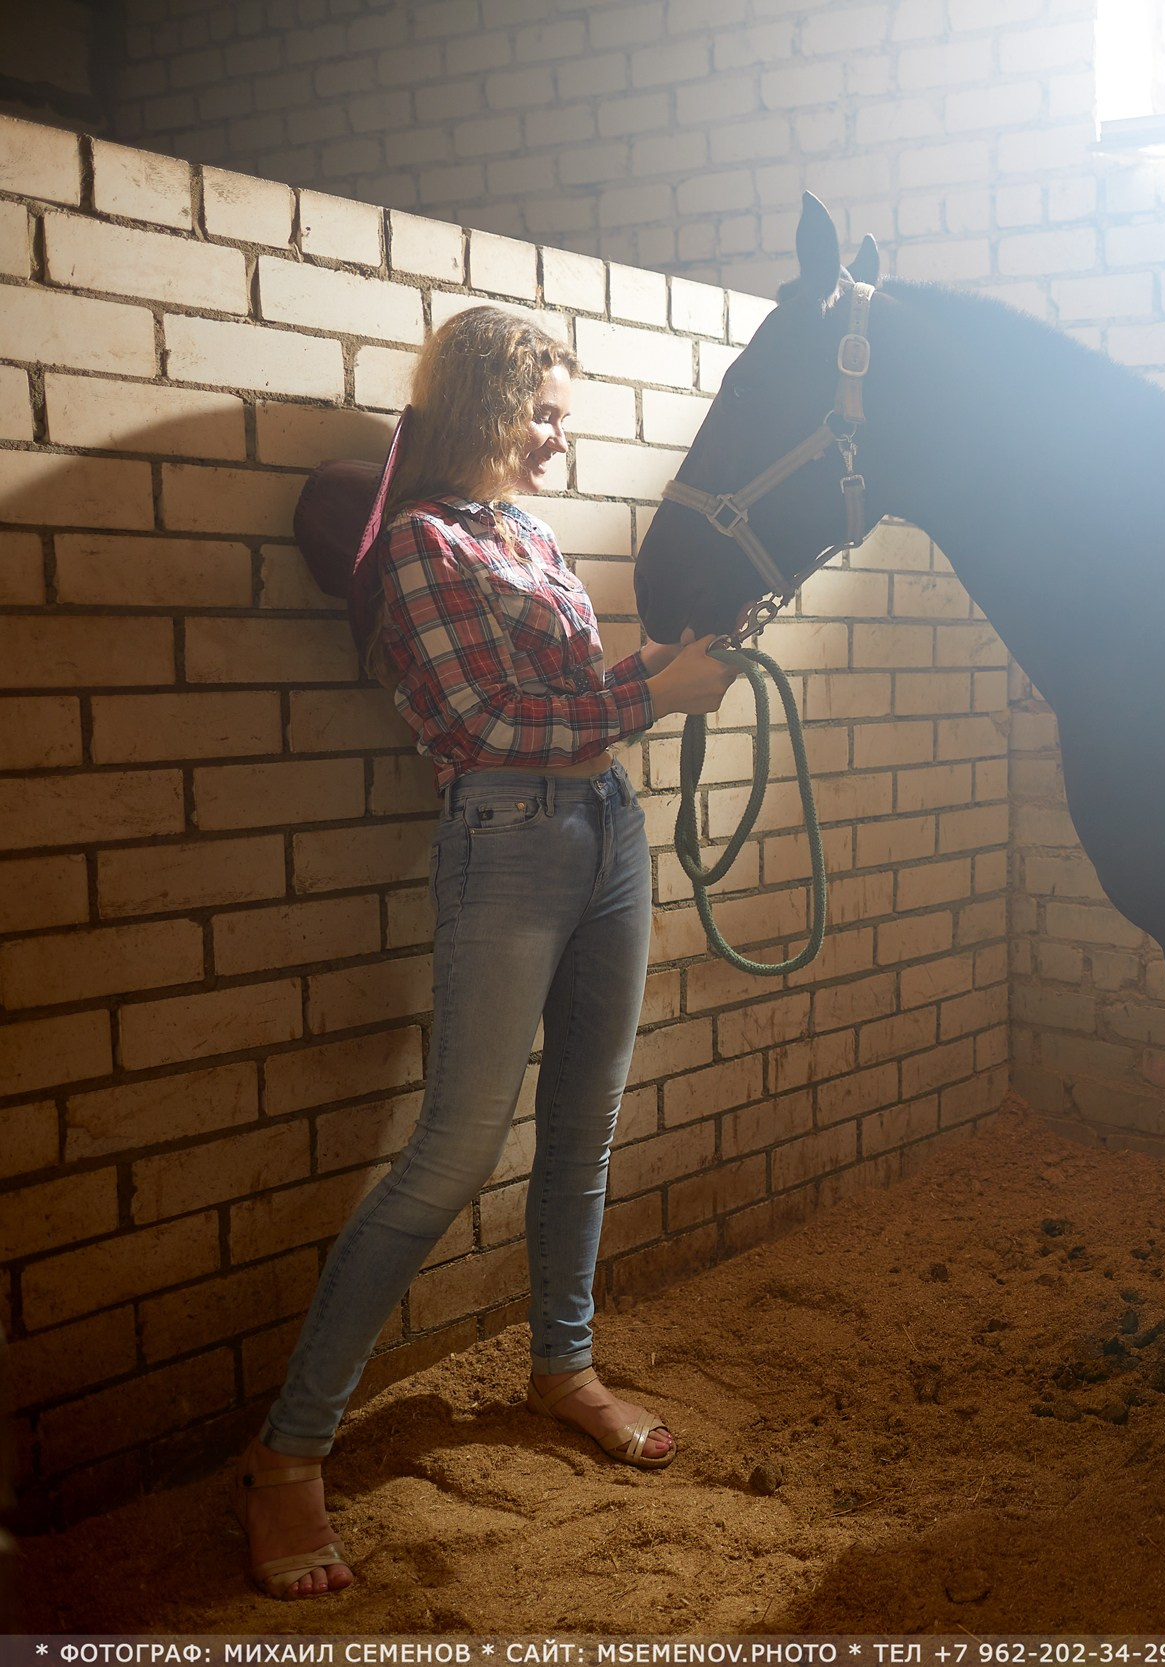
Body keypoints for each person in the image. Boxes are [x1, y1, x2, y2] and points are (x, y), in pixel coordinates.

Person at [237, 306, 740, 1600]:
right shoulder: (421, 544)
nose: (563, 436)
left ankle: (563, 1365)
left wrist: (651, 669)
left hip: (603, 826)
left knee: (587, 1128)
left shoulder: (525, 533)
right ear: (486, 407)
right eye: (547, 412)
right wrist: (650, 696)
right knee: (454, 1152)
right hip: (509, 838)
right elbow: (485, 721)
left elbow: (563, 702)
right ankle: (292, 1453)